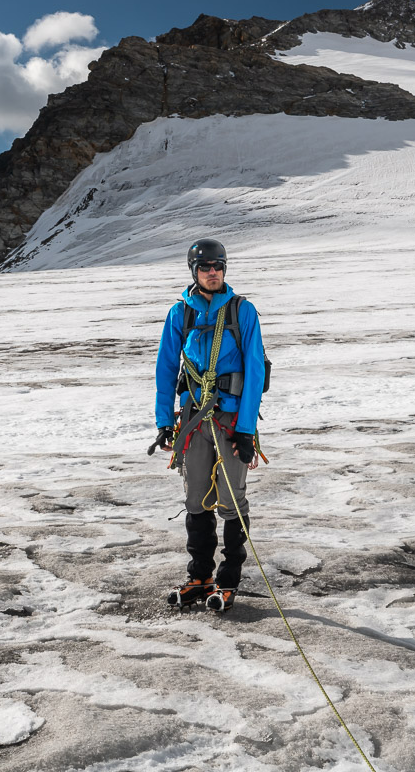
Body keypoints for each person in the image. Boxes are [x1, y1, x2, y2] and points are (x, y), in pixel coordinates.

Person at [153, 238, 266, 611]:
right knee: (196, 498)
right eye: (205, 267)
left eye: (218, 266)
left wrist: (247, 429)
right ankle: (199, 575)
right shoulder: (179, 313)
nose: (212, 272)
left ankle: (228, 578)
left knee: (232, 498)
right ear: (194, 272)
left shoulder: (242, 311)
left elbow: (253, 372)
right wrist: (164, 422)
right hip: (192, 420)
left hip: (231, 418)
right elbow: (166, 370)